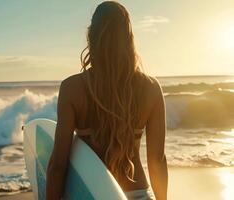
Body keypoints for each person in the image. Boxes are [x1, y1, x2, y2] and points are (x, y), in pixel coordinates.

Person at [46, 1, 168, 200]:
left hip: (89, 194)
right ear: (129, 38)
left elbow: (58, 165)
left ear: (91, 36)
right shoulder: (151, 89)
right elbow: (157, 161)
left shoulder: (71, 88)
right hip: (138, 194)